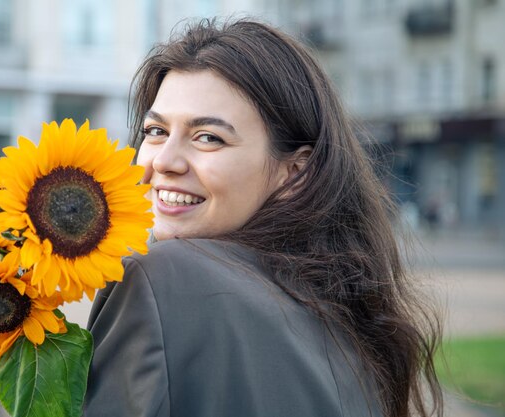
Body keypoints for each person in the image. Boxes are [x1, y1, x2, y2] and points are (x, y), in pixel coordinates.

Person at [83, 18, 443, 417]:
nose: (164, 161)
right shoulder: (347, 317)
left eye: (208, 137)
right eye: (155, 131)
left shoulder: (159, 280)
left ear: (296, 172)